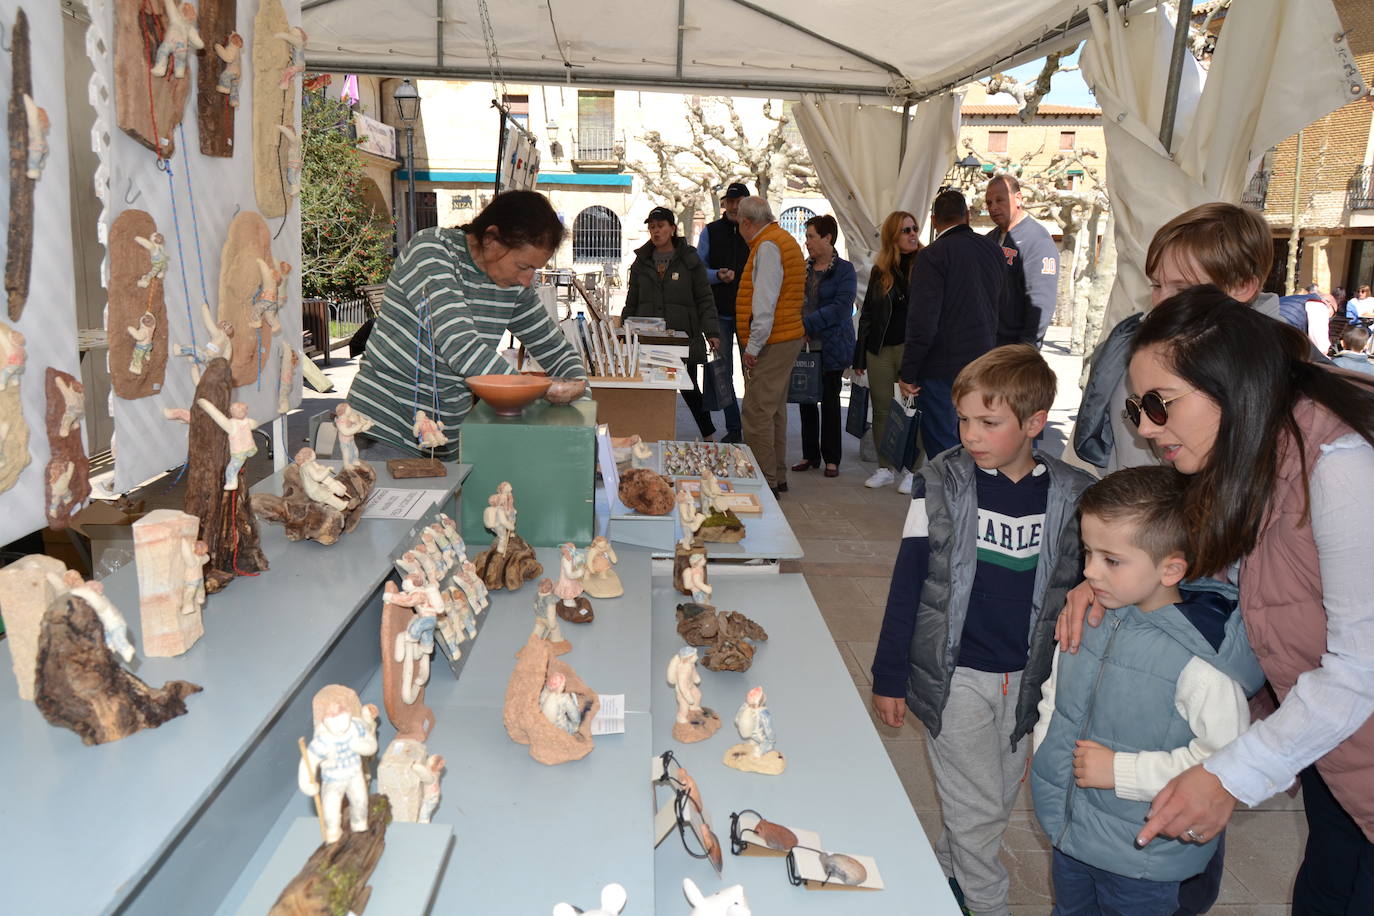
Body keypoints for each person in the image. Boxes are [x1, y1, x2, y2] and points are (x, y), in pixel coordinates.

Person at [1058, 287, 1374, 914]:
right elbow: (1233, 584)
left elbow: (1360, 668)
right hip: (1338, 757)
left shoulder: (1339, 467)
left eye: (1159, 404)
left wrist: (1229, 772)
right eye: (1135, 409)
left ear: (1229, 384)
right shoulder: (1253, 460)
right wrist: (1110, 580)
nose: (1146, 429)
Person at [871, 344, 1095, 916]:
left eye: (988, 423)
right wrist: (889, 674)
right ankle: (986, 902)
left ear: (1035, 423)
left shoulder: (1072, 496)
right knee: (974, 807)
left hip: (1026, 681)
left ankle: (942, 875)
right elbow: (908, 584)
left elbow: (1094, 575)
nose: (970, 434)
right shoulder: (940, 485)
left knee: (992, 799)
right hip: (956, 678)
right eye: (965, 418)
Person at [1031, 466, 1263, 916]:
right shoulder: (1091, 619)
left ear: (1171, 568)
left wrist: (1121, 771)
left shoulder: (1200, 663)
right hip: (1071, 832)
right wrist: (1044, 750)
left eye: (1111, 560)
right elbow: (1056, 697)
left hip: (1144, 857)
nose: (1089, 572)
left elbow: (1229, 760)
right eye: (1088, 552)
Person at [348, 191, 587, 460]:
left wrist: (582, 406)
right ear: (491, 239)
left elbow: (557, 350)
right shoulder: (432, 251)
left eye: (534, 269)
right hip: (385, 428)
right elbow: (461, 347)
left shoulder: (512, 286)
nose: (526, 280)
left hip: (445, 435)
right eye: (523, 266)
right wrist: (536, 390)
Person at [1073, 202, 1278, 472]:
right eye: (1157, 285)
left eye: (1184, 289)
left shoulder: (1276, 372)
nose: (1162, 304)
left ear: (1242, 286)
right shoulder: (1134, 343)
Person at [898, 189, 1006, 458]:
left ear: (934, 221)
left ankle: (951, 498)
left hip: (942, 367)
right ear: (967, 216)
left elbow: (923, 321)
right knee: (977, 440)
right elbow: (1000, 306)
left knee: (944, 447)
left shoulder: (932, 255)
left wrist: (908, 372)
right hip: (982, 362)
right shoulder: (992, 250)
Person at [621, 206, 721, 439]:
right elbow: (632, 299)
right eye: (652, 227)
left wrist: (712, 332)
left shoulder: (689, 259)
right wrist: (624, 329)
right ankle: (652, 433)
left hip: (682, 336)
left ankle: (708, 433)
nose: (656, 232)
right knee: (650, 388)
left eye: (661, 226)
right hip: (648, 336)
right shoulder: (641, 261)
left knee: (689, 386)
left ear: (672, 229)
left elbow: (705, 298)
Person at [735, 196, 807, 495]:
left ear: (747, 223)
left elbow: (764, 302)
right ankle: (777, 475)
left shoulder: (766, 246)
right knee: (775, 409)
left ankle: (763, 482)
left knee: (756, 412)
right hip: (786, 336)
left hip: (773, 339)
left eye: (739, 223)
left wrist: (752, 347)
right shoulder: (782, 238)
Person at [853, 210, 921, 492]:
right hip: (880, 349)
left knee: (913, 411)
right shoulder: (881, 270)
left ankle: (911, 470)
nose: (913, 233)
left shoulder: (926, 264)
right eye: (906, 230)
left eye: (915, 228)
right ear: (893, 236)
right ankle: (885, 468)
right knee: (881, 411)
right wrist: (860, 355)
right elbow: (867, 313)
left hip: (912, 349)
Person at [792, 214, 856, 478]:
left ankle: (832, 458)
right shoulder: (802, 268)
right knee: (805, 400)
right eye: (806, 237)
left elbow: (841, 308)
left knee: (830, 402)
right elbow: (793, 299)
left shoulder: (845, 270)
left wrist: (807, 326)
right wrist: (798, 324)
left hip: (832, 345)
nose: (806, 242)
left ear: (828, 238)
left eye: (811, 237)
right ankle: (809, 454)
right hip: (805, 345)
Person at [695, 182, 753, 443]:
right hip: (719, 314)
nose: (733, 206)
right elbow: (699, 269)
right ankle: (735, 427)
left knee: (752, 372)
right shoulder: (710, 231)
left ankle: (753, 425)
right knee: (724, 372)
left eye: (738, 201)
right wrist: (717, 275)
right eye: (729, 201)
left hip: (749, 315)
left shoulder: (755, 233)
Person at [985, 174, 1059, 347]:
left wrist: (1024, 349)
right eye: (989, 203)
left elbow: (1040, 303)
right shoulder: (990, 238)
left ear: (1018, 199)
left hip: (1013, 351)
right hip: (986, 343)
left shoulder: (1038, 241)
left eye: (999, 200)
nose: (993, 207)